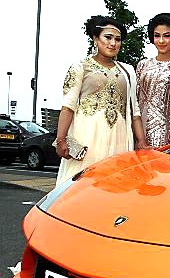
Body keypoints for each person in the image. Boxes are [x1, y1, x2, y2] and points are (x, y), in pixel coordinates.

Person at [55, 15, 147, 186]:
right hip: (87, 137)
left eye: (117, 39)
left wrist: (141, 142)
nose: (113, 43)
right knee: (80, 186)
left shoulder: (128, 71)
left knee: (115, 186)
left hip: (119, 138)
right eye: (108, 37)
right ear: (95, 39)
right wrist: (61, 139)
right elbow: (68, 106)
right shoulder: (80, 67)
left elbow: (135, 112)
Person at [136, 13, 170, 147]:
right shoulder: (142, 65)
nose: (161, 41)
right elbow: (135, 100)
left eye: (166, 36)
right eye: (157, 36)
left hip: (163, 129)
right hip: (137, 126)